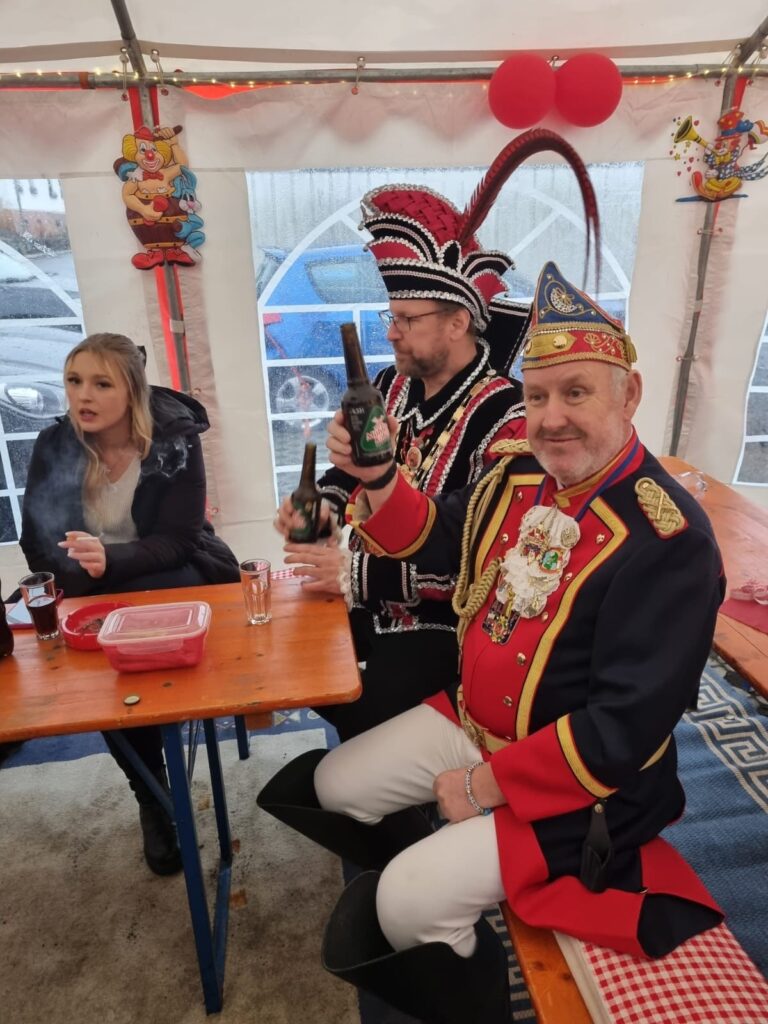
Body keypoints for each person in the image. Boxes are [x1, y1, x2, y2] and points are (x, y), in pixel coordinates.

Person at [257, 263, 726, 1023]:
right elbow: (435, 537)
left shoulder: (669, 539)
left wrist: (481, 790)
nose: (550, 419)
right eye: (537, 397)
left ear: (628, 395)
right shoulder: (517, 476)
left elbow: (623, 728)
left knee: (407, 905)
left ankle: (456, 953)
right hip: (476, 722)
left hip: (582, 786)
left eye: (576, 392)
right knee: (335, 785)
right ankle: (444, 877)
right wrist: (375, 473)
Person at [275, 128, 600, 740]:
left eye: (406, 319)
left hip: (448, 631)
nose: (391, 332)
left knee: (355, 711)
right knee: (287, 657)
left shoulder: (507, 418)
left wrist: (352, 575)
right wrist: (321, 506)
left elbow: (485, 563)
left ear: (457, 322)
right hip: (373, 600)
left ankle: (414, 798)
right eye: (389, 317)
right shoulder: (390, 386)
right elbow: (350, 473)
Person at [20, 332, 239, 875]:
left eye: (100, 383)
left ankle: (155, 784)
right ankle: (152, 795)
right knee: (103, 663)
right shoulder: (55, 445)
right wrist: (87, 571)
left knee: (129, 631)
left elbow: (182, 537)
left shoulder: (175, 441)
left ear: (132, 392)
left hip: (165, 571)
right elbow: (37, 541)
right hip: (91, 584)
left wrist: (111, 562)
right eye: (74, 382)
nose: (82, 396)